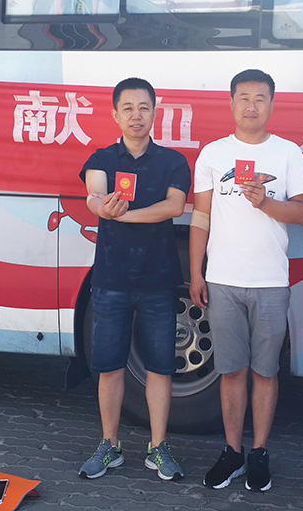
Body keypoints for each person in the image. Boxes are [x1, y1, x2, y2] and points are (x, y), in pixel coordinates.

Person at [190, 69, 303, 492]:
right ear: (231, 103)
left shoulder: (288, 153)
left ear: (272, 104)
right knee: (231, 371)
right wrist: (196, 272)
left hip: (271, 282)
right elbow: (200, 217)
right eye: (244, 97)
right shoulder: (213, 153)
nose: (251, 106)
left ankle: (259, 452)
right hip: (222, 280)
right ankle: (232, 452)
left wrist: (266, 203)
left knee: (265, 371)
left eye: (260, 98)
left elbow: (302, 212)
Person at [78, 77, 190, 481]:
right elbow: (93, 194)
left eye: (143, 107)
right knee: (110, 367)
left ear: (155, 113)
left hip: (158, 280)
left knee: (160, 367)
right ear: (115, 114)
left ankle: (158, 448)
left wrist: (124, 217)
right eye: (127, 108)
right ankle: (109, 445)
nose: (136, 115)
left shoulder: (172, 161)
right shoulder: (102, 158)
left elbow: (173, 206)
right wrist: (101, 207)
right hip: (111, 280)